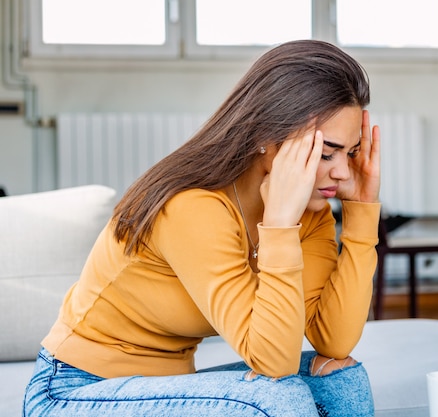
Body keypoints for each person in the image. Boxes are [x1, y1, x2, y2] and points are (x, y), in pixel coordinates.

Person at [24, 39, 381, 417]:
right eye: (326, 153)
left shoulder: (310, 212)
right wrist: (279, 224)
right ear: (265, 135)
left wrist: (361, 212)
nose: (342, 172)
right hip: (74, 389)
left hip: (166, 388)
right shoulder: (192, 206)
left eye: (351, 153)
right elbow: (275, 362)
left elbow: (334, 340)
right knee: (277, 399)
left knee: (341, 380)